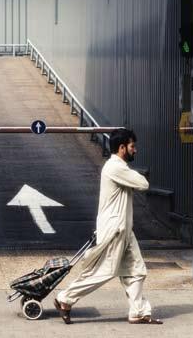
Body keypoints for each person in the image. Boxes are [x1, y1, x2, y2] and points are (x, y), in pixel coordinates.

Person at [54, 128, 162, 325]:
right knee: (104, 271)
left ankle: (138, 312)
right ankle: (65, 299)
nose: (135, 150)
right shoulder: (115, 167)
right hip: (115, 230)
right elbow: (143, 184)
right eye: (132, 146)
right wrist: (139, 175)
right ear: (122, 148)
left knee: (137, 271)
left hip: (124, 231)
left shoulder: (119, 168)